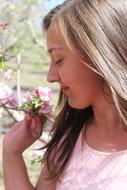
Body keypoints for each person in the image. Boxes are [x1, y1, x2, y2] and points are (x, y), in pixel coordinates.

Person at [2, 0, 127, 189]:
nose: (50, 77)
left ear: (98, 54)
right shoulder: (67, 142)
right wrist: (11, 152)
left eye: (58, 59)